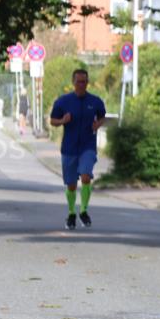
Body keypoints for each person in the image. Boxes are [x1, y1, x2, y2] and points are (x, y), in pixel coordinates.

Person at [49, 69, 106, 230]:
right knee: (71, 184)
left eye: (85, 81)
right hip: (69, 148)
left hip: (88, 146)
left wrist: (98, 124)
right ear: (73, 82)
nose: (82, 84)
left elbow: (102, 116)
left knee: (86, 175)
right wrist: (62, 120)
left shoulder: (95, 101)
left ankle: (84, 210)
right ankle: (72, 213)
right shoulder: (63, 101)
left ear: (88, 82)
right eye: (79, 81)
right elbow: (53, 120)